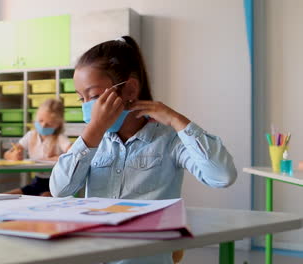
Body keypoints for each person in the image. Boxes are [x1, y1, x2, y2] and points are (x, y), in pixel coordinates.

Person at [49, 36, 237, 264]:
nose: (89, 106)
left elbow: (222, 176)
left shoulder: (169, 141)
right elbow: (60, 189)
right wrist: (94, 130)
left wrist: (177, 120)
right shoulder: (92, 142)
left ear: (129, 89)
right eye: (82, 99)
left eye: (96, 96)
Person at [4, 98, 72, 197]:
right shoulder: (30, 136)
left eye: (49, 123)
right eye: (40, 120)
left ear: (58, 124)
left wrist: (56, 158)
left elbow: (72, 153)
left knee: (44, 197)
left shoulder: (59, 138)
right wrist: (13, 156)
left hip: (56, 183)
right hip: (38, 182)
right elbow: (7, 153)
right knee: (7, 195)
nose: (43, 126)